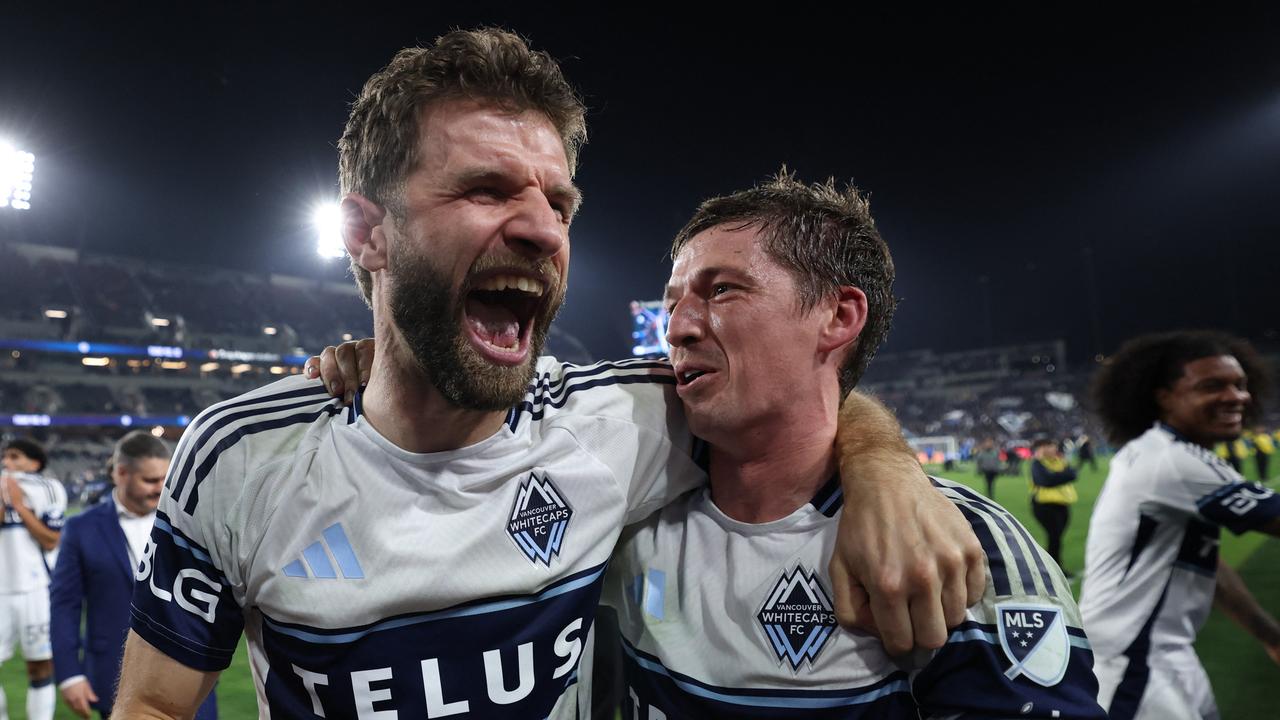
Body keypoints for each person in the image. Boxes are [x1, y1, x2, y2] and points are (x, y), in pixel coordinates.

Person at [115, 29, 982, 719]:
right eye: (488, 189)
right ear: (367, 233)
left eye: (558, 203)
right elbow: (155, 702)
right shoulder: (241, 455)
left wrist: (882, 468)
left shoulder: (623, 422)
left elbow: (785, 393)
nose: (543, 229)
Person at [318, 171, 1106, 718]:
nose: (680, 324)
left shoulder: (958, 554)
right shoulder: (624, 519)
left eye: (723, 290)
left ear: (838, 317)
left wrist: (882, 464)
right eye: (673, 301)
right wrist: (391, 361)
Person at [1080, 330, 1280, 720]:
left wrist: (1271, 636)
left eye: (1240, 385)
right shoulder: (1170, 461)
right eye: (1213, 386)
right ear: (1164, 397)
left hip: (1163, 654)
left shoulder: (1166, 453)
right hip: (1132, 662)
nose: (1236, 396)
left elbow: (1206, 564)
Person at [51, 432, 218, 719]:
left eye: (165, 478)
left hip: (189, 672)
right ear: (121, 473)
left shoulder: (191, 522)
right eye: (151, 480)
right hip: (114, 675)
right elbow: (64, 605)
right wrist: (69, 675)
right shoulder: (81, 528)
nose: (161, 488)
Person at [0, 438, 65, 720]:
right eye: (5, 457)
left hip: (36, 590)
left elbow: (51, 540)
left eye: (15, 457)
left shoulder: (49, 489)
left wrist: (20, 506)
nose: (7, 463)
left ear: (35, 462)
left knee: (40, 664)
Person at [1028, 438, 1077, 571]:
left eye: (1054, 445)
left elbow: (1073, 474)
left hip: (1062, 504)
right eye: (1049, 445)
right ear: (1041, 448)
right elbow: (1045, 480)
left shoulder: (1059, 460)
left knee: (1057, 538)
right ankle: (1054, 568)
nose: (1053, 448)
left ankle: (1052, 566)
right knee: (1054, 537)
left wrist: (1055, 476)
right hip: (1044, 506)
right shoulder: (1037, 463)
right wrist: (1060, 476)